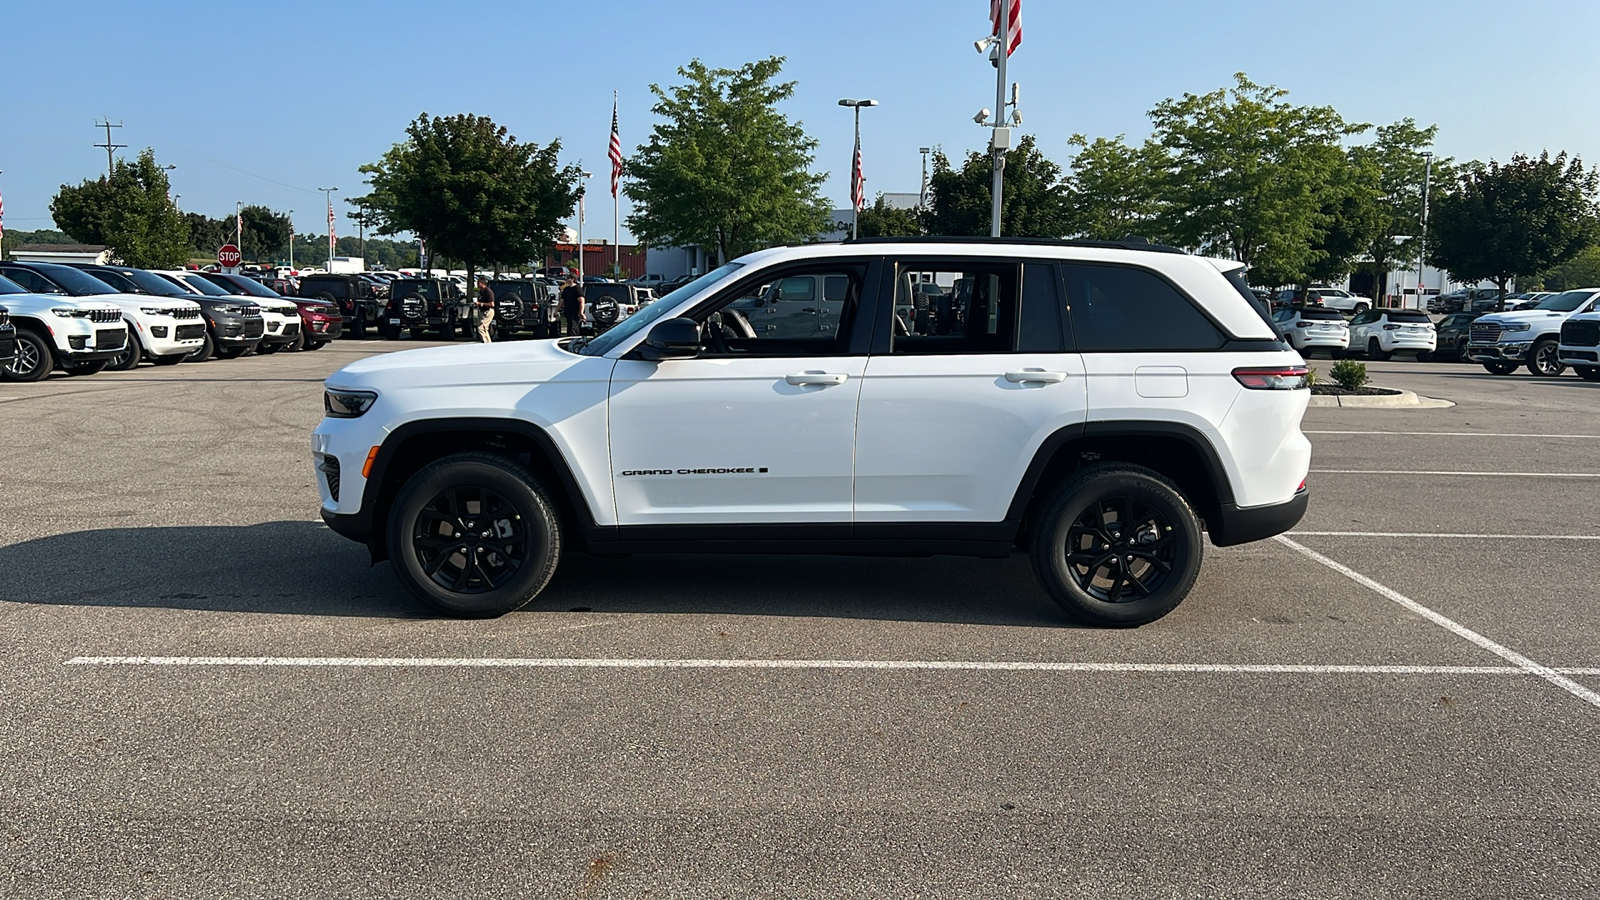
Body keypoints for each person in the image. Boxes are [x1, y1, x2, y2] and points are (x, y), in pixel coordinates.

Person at [474, 275, 495, 343]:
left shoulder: (488, 291)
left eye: (478, 283)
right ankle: (489, 343)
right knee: (485, 328)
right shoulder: (481, 291)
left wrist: (480, 304)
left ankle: (485, 342)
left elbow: (492, 304)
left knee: (481, 328)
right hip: (483, 311)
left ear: (482, 283)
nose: (477, 284)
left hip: (489, 311)